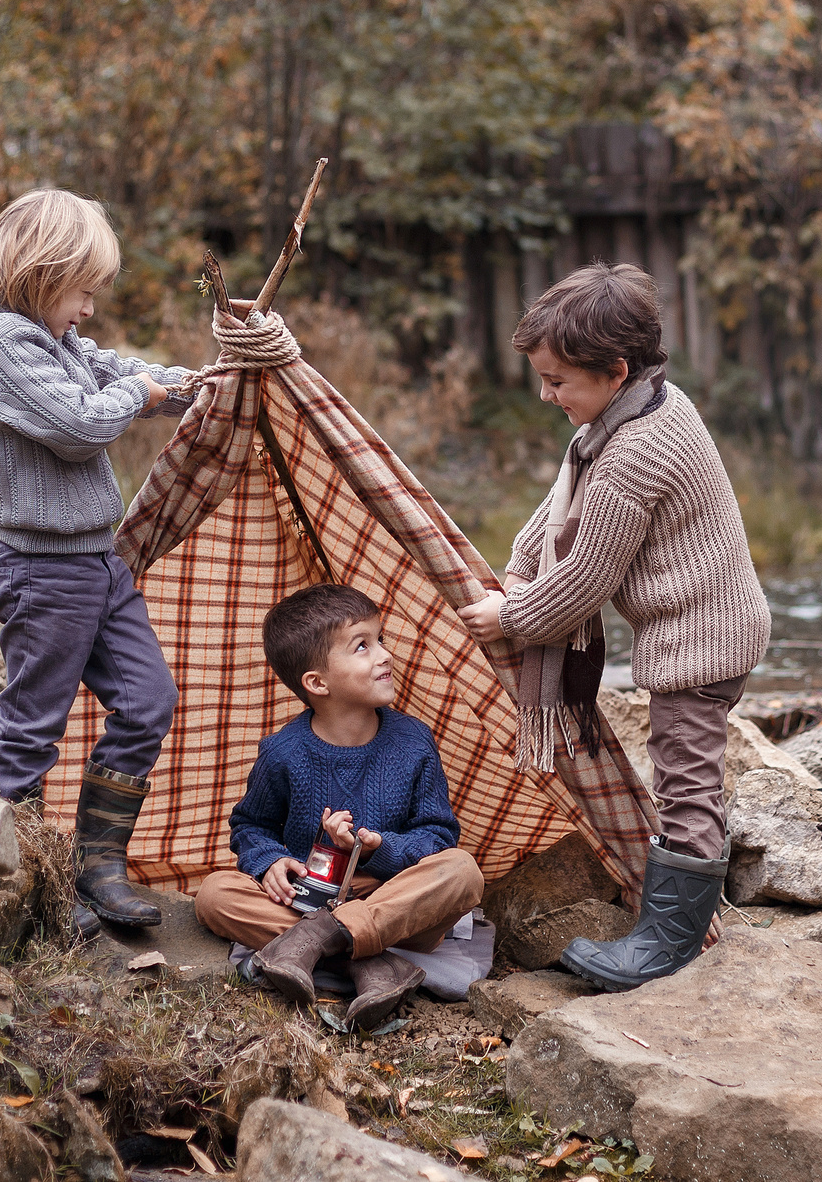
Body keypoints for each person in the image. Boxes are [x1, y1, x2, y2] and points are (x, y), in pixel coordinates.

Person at [456, 261, 769, 991]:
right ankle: (667, 926)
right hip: (701, 625)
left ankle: (667, 942)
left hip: (702, 640)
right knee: (680, 770)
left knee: (687, 781)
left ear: (615, 369)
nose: (546, 393)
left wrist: (514, 614)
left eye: (559, 380)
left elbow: (588, 579)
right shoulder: (644, 406)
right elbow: (562, 504)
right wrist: (520, 564)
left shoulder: (633, 453)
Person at [0, 188, 194, 929]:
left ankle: (96, 862)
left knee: (148, 698)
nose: (88, 309)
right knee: (32, 726)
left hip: (99, 564)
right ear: (40, 272)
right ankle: (4, 880)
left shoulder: (51, 338)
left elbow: (114, 368)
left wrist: (195, 384)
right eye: (82, 290)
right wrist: (139, 391)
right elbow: (78, 425)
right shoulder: (2, 344)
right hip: (45, 572)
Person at [195, 583, 484, 1030]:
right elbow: (251, 826)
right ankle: (366, 962)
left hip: (391, 899)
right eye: (363, 646)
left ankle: (320, 944)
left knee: (461, 870)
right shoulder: (283, 752)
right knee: (214, 895)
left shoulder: (413, 741)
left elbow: (438, 836)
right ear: (317, 682)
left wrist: (376, 848)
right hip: (308, 901)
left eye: (381, 639)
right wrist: (269, 860)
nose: (385, 654)